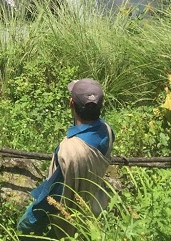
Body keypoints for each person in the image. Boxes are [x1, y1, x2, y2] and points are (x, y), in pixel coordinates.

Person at [17, 78, 115, 237]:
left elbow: (53, 195)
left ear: (71, 103)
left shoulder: (69, 150)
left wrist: (26, 224)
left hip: (68, 221)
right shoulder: (107, 131)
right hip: (93, 208)